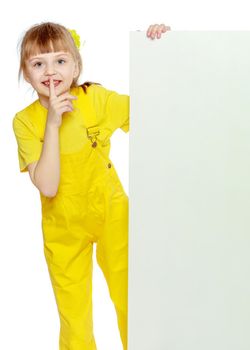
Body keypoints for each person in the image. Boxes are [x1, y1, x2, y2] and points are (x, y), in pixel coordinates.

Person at [12, 21, 171, 350]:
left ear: (75, 65)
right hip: (63, 228)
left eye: (60, 60)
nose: (50, 71)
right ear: (26, 74)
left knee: (132, 299)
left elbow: (157, 112)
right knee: (74, 317)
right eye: (38, 63)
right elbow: (48, 186)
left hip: (111, 213)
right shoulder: (25, 121)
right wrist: (53, 124)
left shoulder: (95, 99)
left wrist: (161, 52)